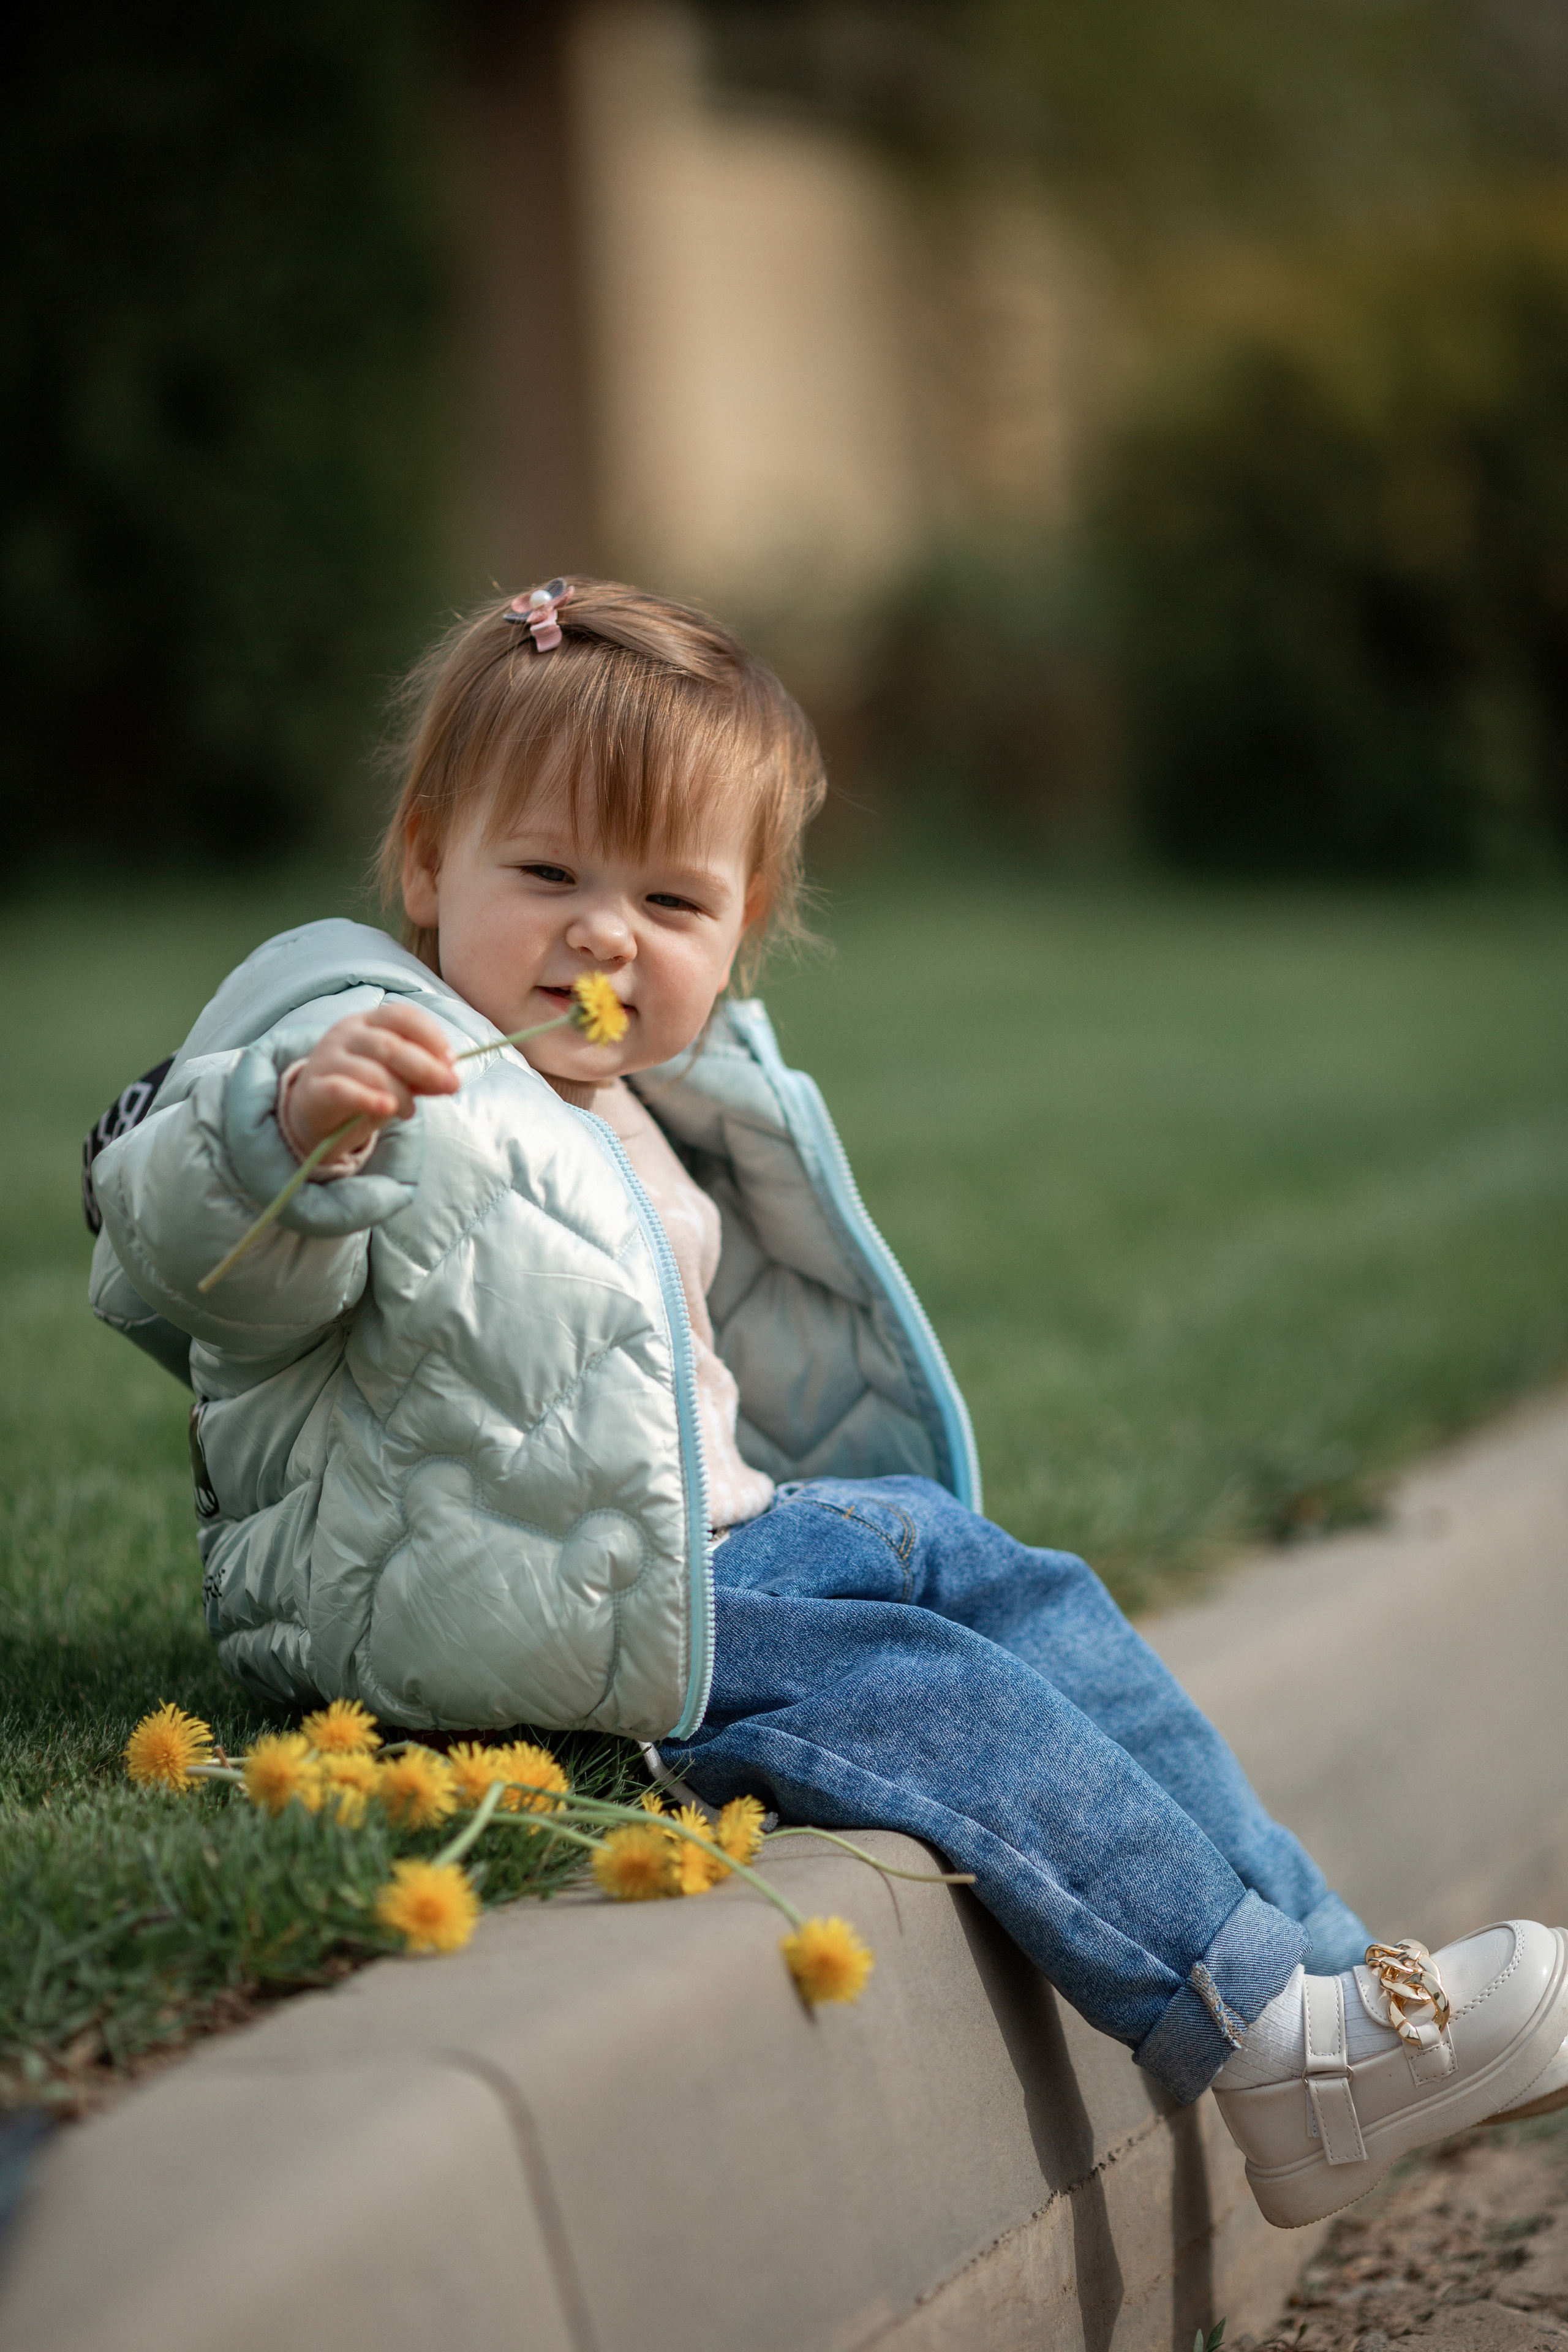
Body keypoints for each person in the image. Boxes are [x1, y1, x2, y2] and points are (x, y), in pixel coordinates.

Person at [86, 577, 1568, 2230]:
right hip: (519, 1610)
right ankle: (1260, 2032)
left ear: (742, 927)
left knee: (1014, 1590)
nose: (604, 936)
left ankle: (1331, 1983)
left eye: (669, 900)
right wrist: (289, 1132)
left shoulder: (629, 1093)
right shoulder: (381, 1068)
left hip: (708, 1543)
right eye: (550, 874)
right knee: (923, 1691)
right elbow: (185, 1261)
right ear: (430, 863)